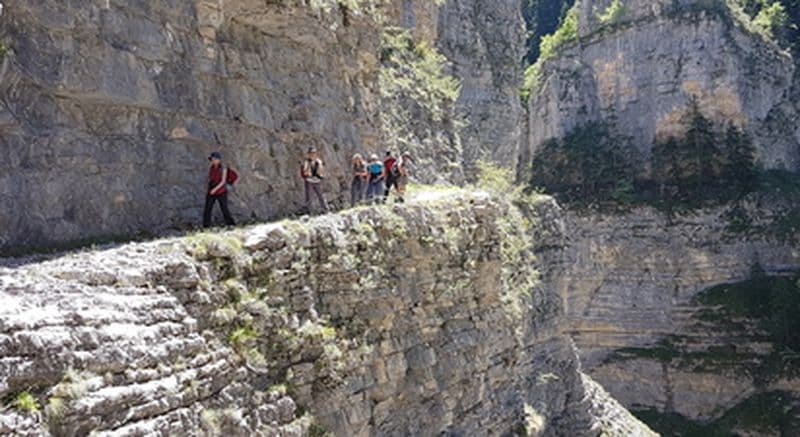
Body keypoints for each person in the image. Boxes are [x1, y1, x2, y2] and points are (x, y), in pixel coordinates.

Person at [203, 151, 236, 228]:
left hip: (221, 190)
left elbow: (223, 181)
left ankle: (231, 224)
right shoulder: (212, 168)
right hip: (212, 188)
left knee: (224, 208)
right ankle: (206, 226)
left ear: (219, 160)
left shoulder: (223, 168)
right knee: (208, 208)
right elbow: (211, 178)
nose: (212, 161)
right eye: (211, 159)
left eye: (214, 159)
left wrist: (214, 190)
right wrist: (210, 188)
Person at [300, 147, 329, 214]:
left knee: (321, 196)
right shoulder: (306, 162)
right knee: (309, 197)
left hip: (317, 180)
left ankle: (325, 210)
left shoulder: (319, 161)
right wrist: (309, 166)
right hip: (309, 180)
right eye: (311, 153)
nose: (313, 155)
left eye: (314, 153)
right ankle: (310, 212)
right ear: (309, 154)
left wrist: (320, 172)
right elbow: (305, 173)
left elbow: (322, 171)